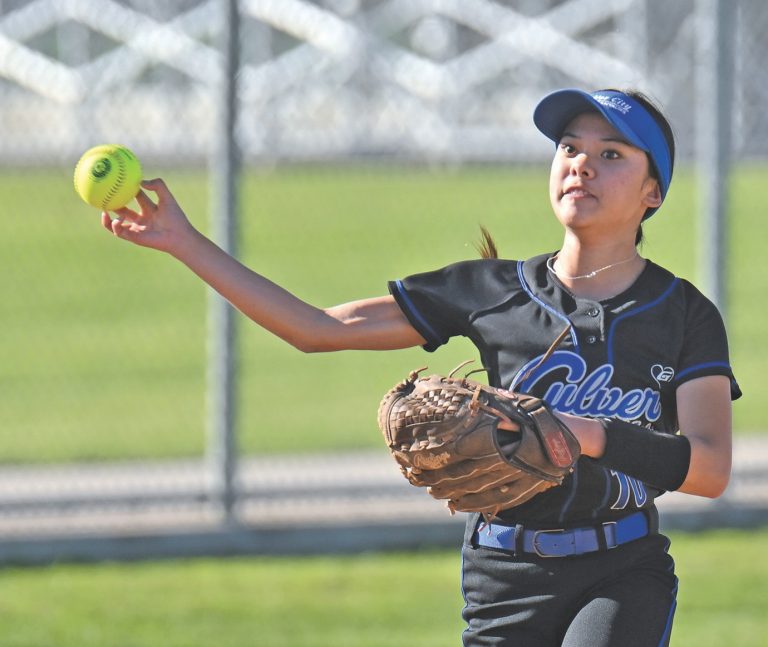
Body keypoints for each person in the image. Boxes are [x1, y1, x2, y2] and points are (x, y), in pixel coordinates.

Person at [101, 88, 740, 646]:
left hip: (622, 567)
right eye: (569, 148)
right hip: (503, 575)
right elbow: (318, 329)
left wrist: (590, 433)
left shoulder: (682, 314)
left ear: (652, 192)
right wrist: (184, 241)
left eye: (611, 155)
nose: (581, 166)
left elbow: (709, 469)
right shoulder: (494, 291)